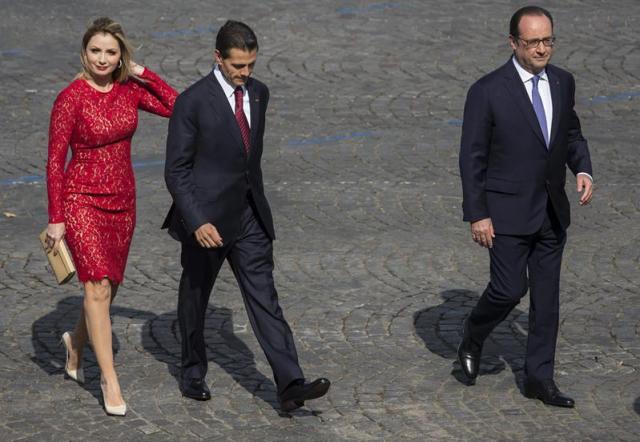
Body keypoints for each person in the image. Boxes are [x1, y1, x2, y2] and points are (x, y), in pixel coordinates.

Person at [163, 20, 330, 412]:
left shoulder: (259, 94)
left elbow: (247, 161)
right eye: (238, 65)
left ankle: (290, 383)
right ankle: (191, 371)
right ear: (217, 57)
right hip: (206, 221)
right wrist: (197, 220)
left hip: (250, 216)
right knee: (195, 297)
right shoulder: (192, 102)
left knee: (265, 299)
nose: (246, 73)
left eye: (251, 65)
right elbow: (176, 170)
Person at [457, 6, 593, 408]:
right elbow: (472, 157)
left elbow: (571, 133)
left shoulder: (564, 82)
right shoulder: (488, 90)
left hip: (551, 209)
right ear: (513, 42)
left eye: (548, 40)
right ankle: (474, 332)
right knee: (508, 288)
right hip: (506, 211)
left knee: (547, 299)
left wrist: (583, 169)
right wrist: (477, 213)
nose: (541, 49)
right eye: (533, 41)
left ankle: (540, 378)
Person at [45, 17, 177, 416]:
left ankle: (76, 346)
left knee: (106, 289)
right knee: (96, 288)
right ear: (84, 53)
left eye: (111, 52)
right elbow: (54, 161)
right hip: (81, 198)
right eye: (95, 51)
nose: (102, 59)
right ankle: (109, 379)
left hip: (122, 200)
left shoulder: (128, 91)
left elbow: (178, 106)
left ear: (121, 55)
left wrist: (142, 72)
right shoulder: (70, 98)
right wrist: (57, 217)